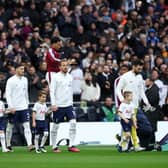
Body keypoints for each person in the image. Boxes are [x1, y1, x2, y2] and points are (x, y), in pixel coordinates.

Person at [116, 59, 150, 151]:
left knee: (133, 126)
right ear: (133, 66)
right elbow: (118, 89)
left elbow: (141, 91)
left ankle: (128, 145)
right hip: (126, 106)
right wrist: (122, 100)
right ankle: (128, 145)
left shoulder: (139, 77)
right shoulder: (125, 76)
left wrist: (146, 102)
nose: (140, 69)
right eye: (138, 67)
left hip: (135, 106)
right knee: (129, 126)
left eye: (141, 67)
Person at [50, 59, 80, 153]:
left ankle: (71, 145)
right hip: (58, 105)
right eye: (63, 65)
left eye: (66, 65)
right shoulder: (55, 77)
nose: (65, 67)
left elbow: (70, 91)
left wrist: (71, 103)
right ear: (59, 67)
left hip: (69, 105)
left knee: (73, 123)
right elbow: (52, 91)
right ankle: (54, 146)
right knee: (55, 126)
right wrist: (53, 104)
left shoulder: (70, 77)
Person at [5, 64, 34, 152]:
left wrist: (27, 103)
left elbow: (25, 93)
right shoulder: (11, 80)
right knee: (10, 126)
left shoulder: (25, 79)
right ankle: (8, 144)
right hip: (14, 108)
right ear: (16, 69)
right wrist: (10, 107)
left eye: (23, 69)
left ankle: (29, 145)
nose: (23, 71)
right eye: (21, 69)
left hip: (24, 107)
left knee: (27, 126)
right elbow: (8, 94)